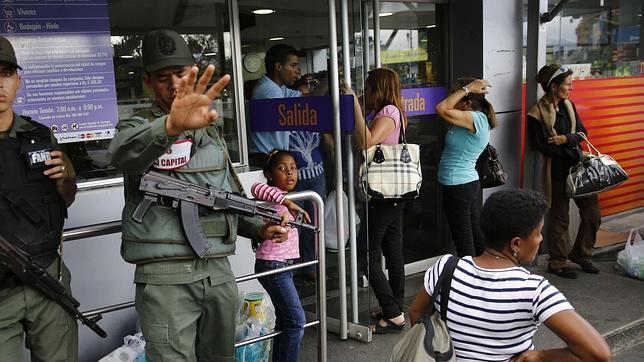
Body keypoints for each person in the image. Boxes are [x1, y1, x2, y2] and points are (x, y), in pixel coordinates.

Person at [107, 29, 288, 362]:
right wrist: (169, 127)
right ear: (149, 82)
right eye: (163, 78)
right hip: (165, 278)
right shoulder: (137, 128)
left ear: (192, 74)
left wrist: (257, 226)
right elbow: (121, 153)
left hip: (216, 268)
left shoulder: (209, 129)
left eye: (180, 74)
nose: (174, 85)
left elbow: (225, 191)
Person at [409, 188, 612, 362]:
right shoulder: (535, 290)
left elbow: (416, 314)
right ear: (516, 244)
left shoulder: (446, 266)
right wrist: (540, 357)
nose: (541, 239)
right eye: (538, 233)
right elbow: (599, 354)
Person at [0, 35, 78, 361]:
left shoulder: (41, 137)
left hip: (47, 278)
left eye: (5, 74)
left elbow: (66, 199)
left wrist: (66, 181)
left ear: (18, 81)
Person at [249, 44, 328, 280]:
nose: (297, 70)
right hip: (266, 162)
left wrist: (329, 78)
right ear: (278, 66)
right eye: (292, 65)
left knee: (286, 219)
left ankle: (290, 267)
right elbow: (303, 106)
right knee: (277, 219)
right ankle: (280, 269)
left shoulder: (278, 89)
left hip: (274, 160)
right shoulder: (268, 92)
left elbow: (308, 98)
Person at [346, 68, 408, 333]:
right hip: (392, 194)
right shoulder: (387, 112)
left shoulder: (389, 113)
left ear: (378, 89)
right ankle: (394, 306)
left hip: (385, 194)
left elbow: (367, 142)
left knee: (365, 255)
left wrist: (353, 104)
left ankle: (393, 314)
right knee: (392, 252)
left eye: (368, 88)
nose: (366, 93)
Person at [528, 64, 601, 279]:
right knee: (560, 219)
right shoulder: (536, 114)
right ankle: (557, 262)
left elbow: (582, 133)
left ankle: (581, 254)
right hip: (557, 173)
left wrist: (565, 139)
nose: (571, 88)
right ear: (553, 86)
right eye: (568, 84)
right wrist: (569, 148)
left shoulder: (569, 106)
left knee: (593, 214)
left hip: (579, 170)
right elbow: (542, 147)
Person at [251, 149, 311, 362]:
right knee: (296, 321)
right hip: (273, 266)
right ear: (269, 174)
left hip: (284, 266)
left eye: (293, 168)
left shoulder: (293, 196)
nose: (289, 173)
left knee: (285, 321)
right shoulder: (273, 196)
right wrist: (288, 203)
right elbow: (255, 187)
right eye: (281, 168)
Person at [435, 77, 497, 257]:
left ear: (467, 103)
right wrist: (466, 90)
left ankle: (470, 281)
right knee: (474, 235)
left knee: (463, 241)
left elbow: (441, 108)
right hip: (464, 184)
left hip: (459, 186)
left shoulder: (474, 118)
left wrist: (467, 88)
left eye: (456, 97)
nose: (452, 100)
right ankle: (482, 276)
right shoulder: (471, 119)